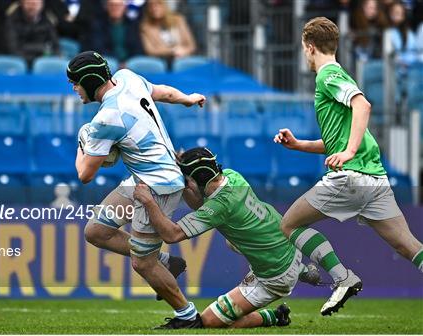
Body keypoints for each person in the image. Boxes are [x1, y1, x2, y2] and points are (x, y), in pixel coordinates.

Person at [273, 16, 423, 316]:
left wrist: (349, 152)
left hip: (350, 177)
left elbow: (362, 105)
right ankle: (343, 278)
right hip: (375, 180)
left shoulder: (327, 75)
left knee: (289, 224)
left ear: (309, 46)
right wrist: (299, 145)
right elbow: (337, 139)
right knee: (410, 247)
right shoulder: (338, 73)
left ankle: (343, 277)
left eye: (304, 49)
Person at [67, 50, 206, 329]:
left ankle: (187, 315)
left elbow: (84, 174)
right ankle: (167, 262)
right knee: (96, 231)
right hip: (144, 177)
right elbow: (163, 92)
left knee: (143, 263)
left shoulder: (105, 120)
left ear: (90, 81)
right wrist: (187, 99)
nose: (74, 88)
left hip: (157, 186)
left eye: (76, 82)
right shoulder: (127, 77)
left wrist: (83, 140)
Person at [132, 147, 322, 329]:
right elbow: (200, 204)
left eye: (187, 181)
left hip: (274, 276)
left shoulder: (219, 207)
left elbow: (171, 235)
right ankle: (300, 269)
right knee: (233, 240)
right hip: (285, 243)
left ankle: (275, 316)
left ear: (196, 180)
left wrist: (148, 201)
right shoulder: (232, 175)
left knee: (208, 322)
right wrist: (187, 178)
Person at [140, 0, 196, 67]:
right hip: (162, 62)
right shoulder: (145, 27)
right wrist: (173, 51)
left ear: (165, 5)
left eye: (158, 4)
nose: (154, 8)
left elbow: (191, 45)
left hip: (182, 60)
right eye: (151, 5)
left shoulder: (179, 20)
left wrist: (184, 51)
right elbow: (150, 50)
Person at [5, 0, 59, 65]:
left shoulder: (48, 21)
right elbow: (13, 49)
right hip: (20, 63)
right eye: (29, 4)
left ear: (42, 5)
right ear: (22, 4)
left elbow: (56, 47)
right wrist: (41, 50)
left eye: (35, 4)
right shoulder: (12, 21)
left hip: (43, 64)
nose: (32, 7)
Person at [386, 1, 417, 65]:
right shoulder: (387, 32)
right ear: (390, 14)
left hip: (410, 67)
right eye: (395, 13)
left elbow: (414, 52)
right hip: (394, 68)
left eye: (400, 13)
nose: (397, 16)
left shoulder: (409, 33)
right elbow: (388, 53)